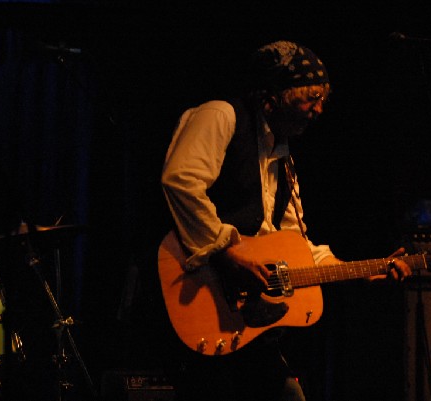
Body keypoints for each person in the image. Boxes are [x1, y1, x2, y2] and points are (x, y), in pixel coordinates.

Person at [158, 40, 412, 401]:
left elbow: (295, 244)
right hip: (198, 294)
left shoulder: (283, 160)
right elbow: (180, 181)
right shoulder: (221, 115)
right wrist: (224, 253)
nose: (319, 109)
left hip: (246, 325)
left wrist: (358, 270)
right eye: (310, 97)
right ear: (273, 93)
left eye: (323, 98)